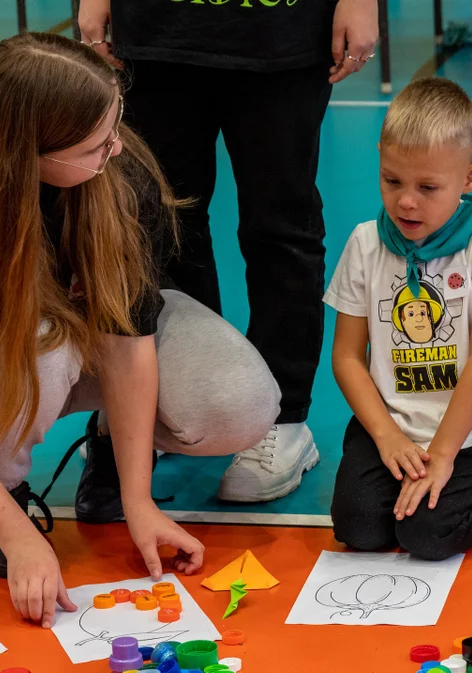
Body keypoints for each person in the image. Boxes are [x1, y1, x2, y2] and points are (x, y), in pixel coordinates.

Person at [0, 33, 280, 627]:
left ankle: (111, 452)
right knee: (40, 340)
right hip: (2, 362)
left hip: (94, 348)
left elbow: (127, 341)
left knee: (238, 401)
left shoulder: (120, 175)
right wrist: (16, 536)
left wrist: (137, 501)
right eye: (94, 144)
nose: (117, 148)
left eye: (116, 126)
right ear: (25, 154)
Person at [75, 0, 378, 509]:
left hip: (282, 30)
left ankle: (283, 419)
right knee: (158, 219)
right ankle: (164, 404)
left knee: (280, 222)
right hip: (159, 27)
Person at [324, 78, 472, 560]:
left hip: (469, 435)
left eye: (428, 187)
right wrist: (385, 436)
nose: (407, 201)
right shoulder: (366, 243)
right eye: (392, 181)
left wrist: (445, 453)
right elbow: (346, 356)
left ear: (470, 177)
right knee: (359, 527)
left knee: (429, 535)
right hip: (391, 427)